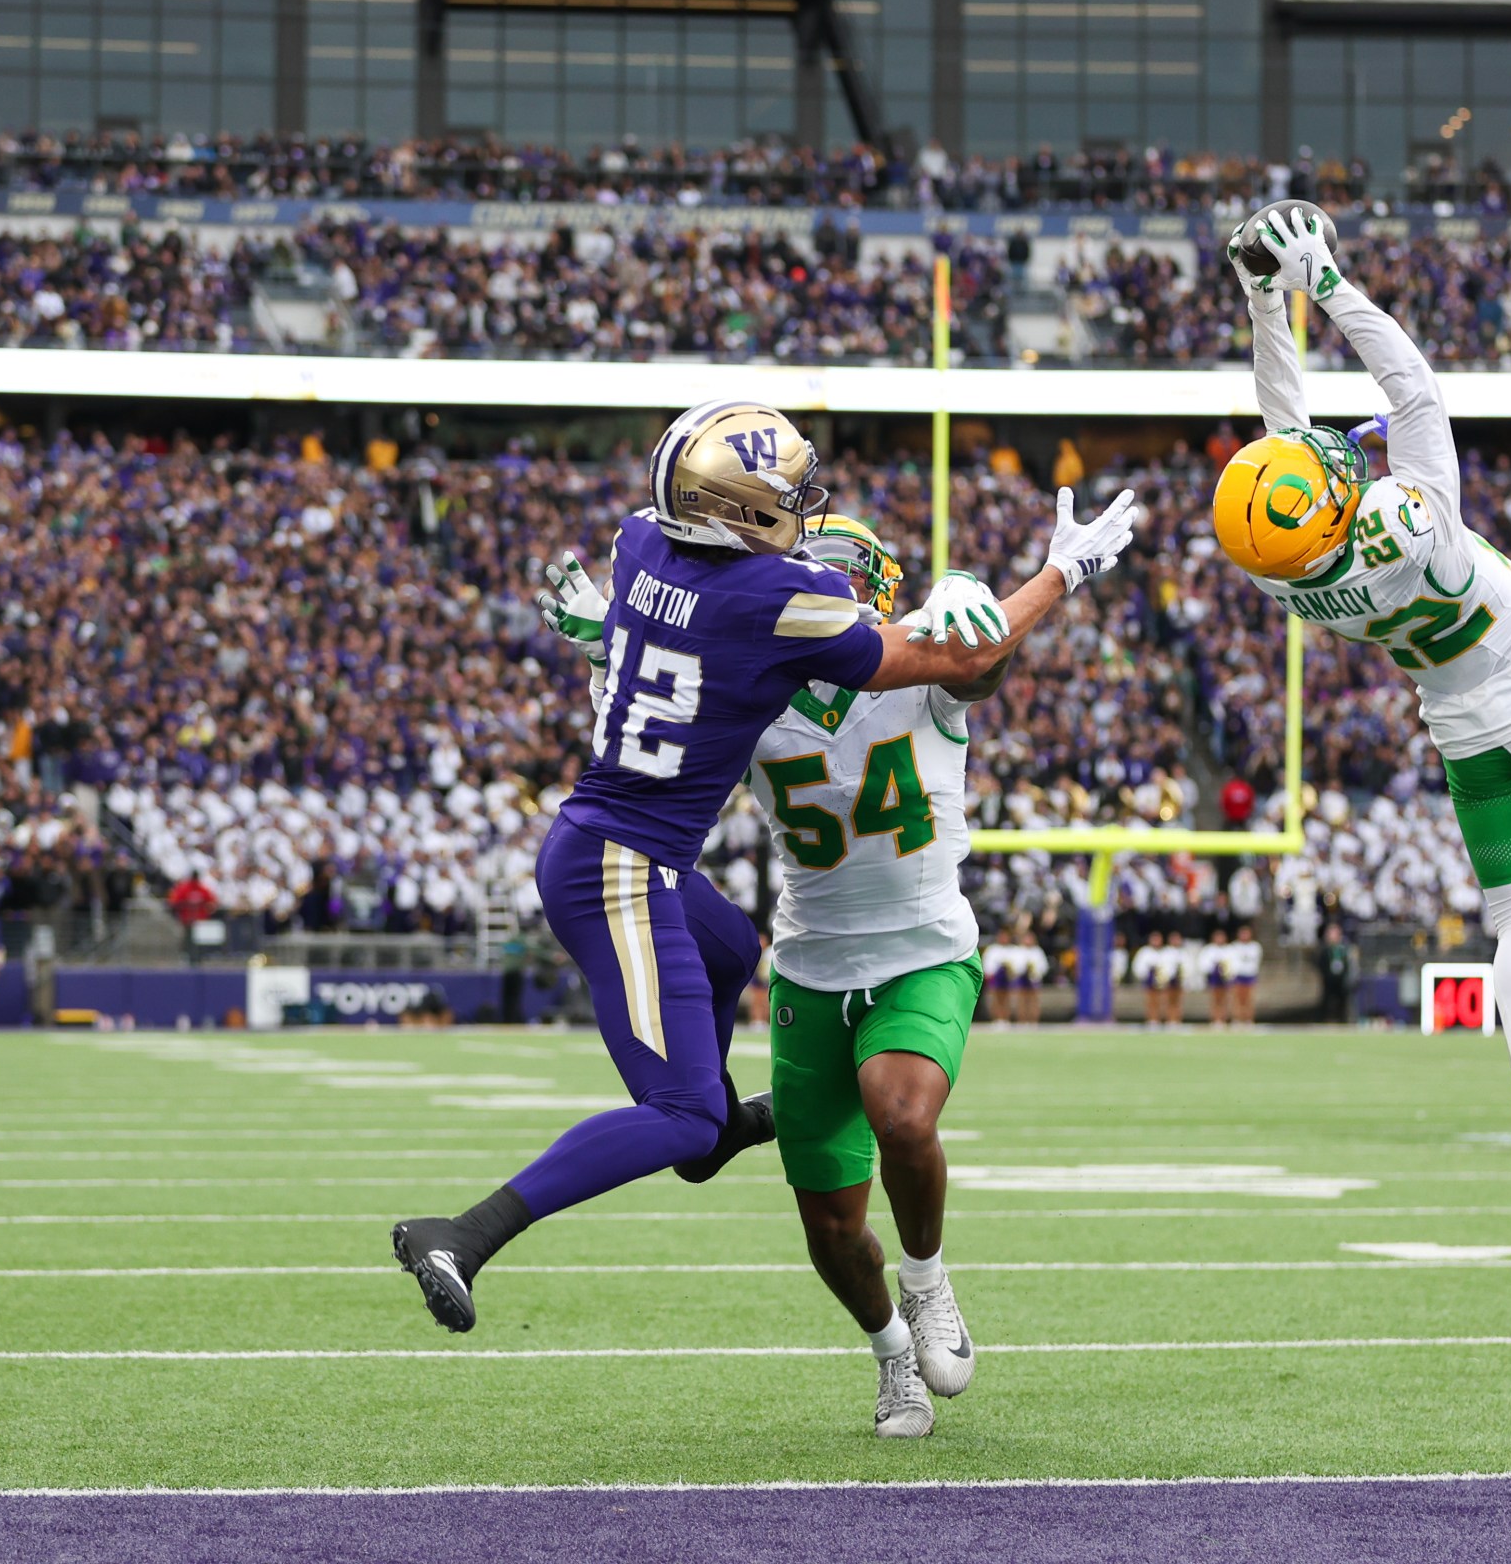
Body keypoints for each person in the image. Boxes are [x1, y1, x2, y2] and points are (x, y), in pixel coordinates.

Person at [390, 401, 1140, 1351]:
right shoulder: (766, 604)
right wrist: (1062, 572)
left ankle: (713, 1134)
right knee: (676, 1110)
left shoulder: (636, 545)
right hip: (622, 864)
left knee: (734, 945)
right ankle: (466, 1232)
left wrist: (605, 636)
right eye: (784, 502)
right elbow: (963, 652)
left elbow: (679, 638)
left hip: (626, 847)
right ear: (730, 513)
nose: (804, 523)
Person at [1218, 204, 1511, 1219]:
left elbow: (1280, 441)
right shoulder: (1412, 517)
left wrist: (1264, 300)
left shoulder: (1287, 577)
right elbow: (1413, 386)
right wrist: (1325, 284)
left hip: (1460, 724)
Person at [745, 513, 1015, 1440]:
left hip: (924, 947)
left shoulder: (921, 677)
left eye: (847, 590)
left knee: (902, 1115)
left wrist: (986, 607)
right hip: (812, 962)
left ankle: (929, 1279)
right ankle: (892, 1354)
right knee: (827, 1225)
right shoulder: (752, 694)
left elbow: (983, 665)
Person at [1315, 922, 1356, 1024]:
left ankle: (1343, 1020)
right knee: (1327, 1000)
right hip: (1329, 980)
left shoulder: (1344, 949)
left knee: (1343, 1000)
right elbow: (1321, 964)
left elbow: (1348, 964)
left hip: (1341, 980)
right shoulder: (1325, 950)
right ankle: (1325, 1020)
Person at [1229, 922, 1263, 1025]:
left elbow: (1256, 961)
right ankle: (1237, 1019)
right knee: (1237, 999)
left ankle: (1248, 1019)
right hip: (1238, 975)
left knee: (1249, 999)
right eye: (1242, 933)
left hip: (1250, 975)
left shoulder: (1255, 946)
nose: (1244, 936)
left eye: (1246, 933)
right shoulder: (1234, 946)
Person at [1203, 926, 1233, 1025]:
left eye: (1221, 937)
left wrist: (1227, 971)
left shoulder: (1229, 949)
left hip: (1225, 977)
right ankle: (1215, 1019)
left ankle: (1224, 1019)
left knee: (1225, 999)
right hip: (1214, 977)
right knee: (1215, 999)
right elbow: (1204, 964)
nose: (1219, 939)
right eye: (1217, 937)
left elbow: (1233, 963)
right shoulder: (1209, 949)